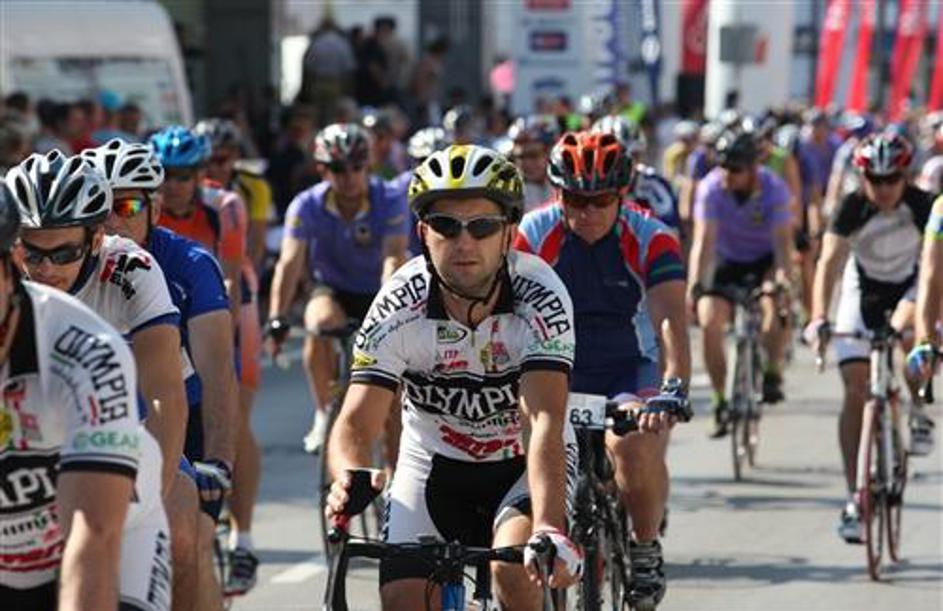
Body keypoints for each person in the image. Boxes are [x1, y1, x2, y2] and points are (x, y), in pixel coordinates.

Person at [324, 144, 582, 610]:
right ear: (423, 232)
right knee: (401, 599)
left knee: (515, 574)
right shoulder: (398, 305)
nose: (464, 242)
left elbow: (543, 418)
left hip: (521, 465)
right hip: (432, 462)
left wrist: (548, 526)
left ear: (508, 233)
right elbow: (357, 420)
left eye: (482, 226)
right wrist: (348, 474)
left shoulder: (540, 296)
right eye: (446, 225)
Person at [514, 131, 689, 608]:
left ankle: (645, 546)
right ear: (557, 193)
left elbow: (671, 319)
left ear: (622, 194)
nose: (588, 212)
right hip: (557, 366)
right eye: (575, 200)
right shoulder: (532, 233)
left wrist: (674, 385)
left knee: (632, 445)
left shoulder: (652, 237)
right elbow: (506, 313)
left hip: (628, 366)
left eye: (601, 200)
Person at [0, 167, 170, 611]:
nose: (46, 269)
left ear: (6, 268)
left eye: (62, 254)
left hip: (113, 519)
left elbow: (92, 535)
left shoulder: (88, 350)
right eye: (34, 254)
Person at [81, 138, 243, 602]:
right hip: (100, 422)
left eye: (128, 206)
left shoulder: (189, 265)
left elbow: (217, 373)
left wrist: (219, 461)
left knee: (187, 542)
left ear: (154, 209)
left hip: (179, 421)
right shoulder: (70, 261)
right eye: (101, 207)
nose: (113, 220)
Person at [804, 132, 934, 543]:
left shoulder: (923, 205)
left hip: (912, 286)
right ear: (862, 178)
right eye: (874, 180)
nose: (883, 188)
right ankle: (856, 496)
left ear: (905, 176)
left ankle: (917, 406)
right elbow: (828, 263)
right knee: (854, 389)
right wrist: (819, 317)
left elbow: (935, 269)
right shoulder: (851, 207)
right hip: (864, 290)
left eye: (891, 179)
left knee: (911, 339)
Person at [265, 123, 409, 453]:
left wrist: (387, 312)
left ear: (368, 165)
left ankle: (394, 470)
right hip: (332, 288)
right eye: (338, 168)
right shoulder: (306, 204)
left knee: (395, 404)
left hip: (379, 290)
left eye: (357, 166)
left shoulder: (389, 199)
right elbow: (289, 262)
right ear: (322, 170)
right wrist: (277, 317)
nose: (349, 176)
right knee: (319, 324)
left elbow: (393, 257)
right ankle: (323, 411)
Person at [687, 128, 794, 437]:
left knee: (775, 305)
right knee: (710, 322)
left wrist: (783, 280)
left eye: (735, 169)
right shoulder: (710, 188)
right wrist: (695, 285)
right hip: (726, 259)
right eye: (722, 166)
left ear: (753, 169)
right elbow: (703, 241)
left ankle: (772, 369)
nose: (727, 174)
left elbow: (782, 244)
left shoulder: (774, 189)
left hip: (764, 259)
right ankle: (721, 398)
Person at [593, 114, 682, 234]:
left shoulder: (654, 186)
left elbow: (671, 235)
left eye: (633, 155)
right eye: (610, 158)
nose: (621, 166)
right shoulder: (579, 189)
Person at [507, 114, 559, 213]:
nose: (527, 163)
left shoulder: (566, 185)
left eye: (533, 155)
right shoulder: (507, 192)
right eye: (521, 157)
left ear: (550, 153)